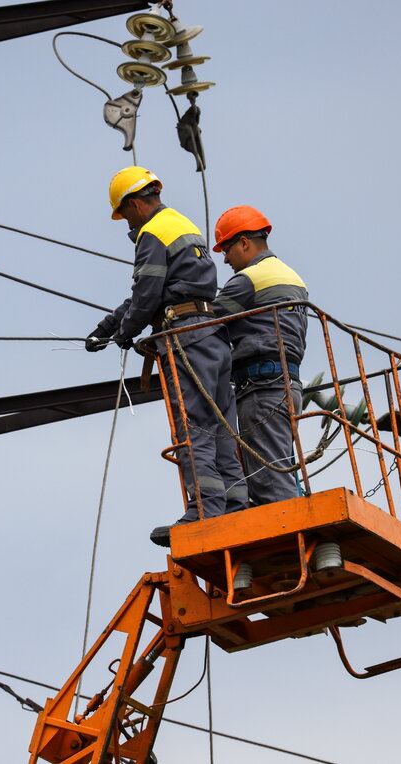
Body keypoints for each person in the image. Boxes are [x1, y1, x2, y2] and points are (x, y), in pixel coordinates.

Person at [86, 167, 246, 546]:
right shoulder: (180, 224)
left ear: (136, 204)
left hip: (186, 338)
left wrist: (126, 331)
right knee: (221, 422)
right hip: (213, 336)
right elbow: (152, 291)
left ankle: (204, 508)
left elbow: (147, 295)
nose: (127, 222)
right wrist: (108, 327)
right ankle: (237, 504)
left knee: (194, 424)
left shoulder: (151, 233)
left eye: (125, 214)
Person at [211, 205, 308, 506]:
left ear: (244, 242)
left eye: (226, 248)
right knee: (277, 467)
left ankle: (292, 534)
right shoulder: (292, 277)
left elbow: (205, 323)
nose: (225, 258)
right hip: (287, 385)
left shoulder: (248, 280)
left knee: (270, 482)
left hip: (261, 388)